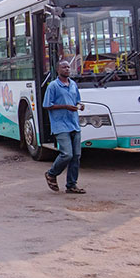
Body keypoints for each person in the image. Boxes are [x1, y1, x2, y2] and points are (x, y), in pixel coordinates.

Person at [43, 60, 86, 194]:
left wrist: (80, 104)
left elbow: (76, 99)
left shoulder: (73, 84)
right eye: (64, 67)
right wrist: (65, 107)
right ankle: (51, 173)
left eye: (68, 67)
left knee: (76, 156)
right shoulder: (53, 86)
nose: (67, 69)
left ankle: (71, 185)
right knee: (67, 154)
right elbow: (47, 105)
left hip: (74, 123)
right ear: (58, 70)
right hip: (60, 124)